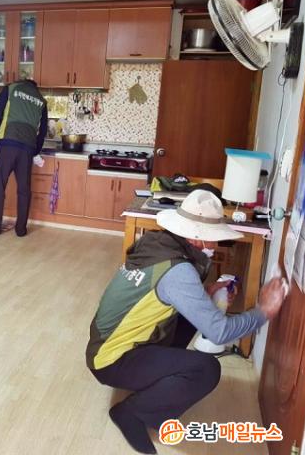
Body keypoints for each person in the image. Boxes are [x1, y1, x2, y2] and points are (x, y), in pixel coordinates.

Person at [86, 190, 286, 454]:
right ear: (195, 236)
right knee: (206, 369)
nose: (215, 245)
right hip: (111, 360)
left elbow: (163, 294)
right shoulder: (178, 271)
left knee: (195, 315)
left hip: (106, 347)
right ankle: (131, 412)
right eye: (212, 238)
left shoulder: (157, 247)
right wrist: (264, 312)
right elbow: (220, 332)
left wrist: (207, 292)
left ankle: (154, 393)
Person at [0, 78, 48, 237]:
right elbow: (43, 130)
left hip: (8, 143)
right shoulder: (41, 100)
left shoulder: (11, 88)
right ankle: (21, 229)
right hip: (28, 147)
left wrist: (4, 130)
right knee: (24, 189)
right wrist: (35, 150)